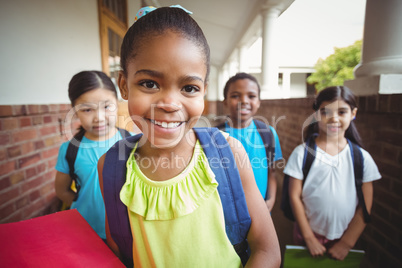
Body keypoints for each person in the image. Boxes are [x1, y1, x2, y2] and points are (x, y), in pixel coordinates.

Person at [98, 6, 281, 268]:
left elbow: (267, 251)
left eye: (189, 88)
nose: (170, 103)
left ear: (204, 92)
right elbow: (118, 249)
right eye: (149, 83)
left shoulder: (229, 153)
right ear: (124, 85)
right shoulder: (111, 167)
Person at [283, 86, 381, 260]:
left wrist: (346, 243)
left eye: (342, 112)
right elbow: (294, 197)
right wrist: (309, 238)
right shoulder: (302, 153)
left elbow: (365, 207)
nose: (333, 118)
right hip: (307, 237)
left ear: (353, 113)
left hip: (345, 239)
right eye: (325, 112)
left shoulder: (362, 158)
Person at [55, 70, 130, 240]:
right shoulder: (69, 150)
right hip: (85, 231)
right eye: (87, 109)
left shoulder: (132, 142)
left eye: (107, 106)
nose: (99, 118)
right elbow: (61, 190)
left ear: (117, 104)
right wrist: (84, 204)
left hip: (126, 232)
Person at [220, 73, 283, 212]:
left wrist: (271, 200)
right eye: (235, 96)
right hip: (226, 213)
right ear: (225, 101)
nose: (244, 101)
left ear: (259, 102)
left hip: (261, 211)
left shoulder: (268, 133)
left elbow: (271, 172)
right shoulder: (216, 136)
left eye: (251, 96)